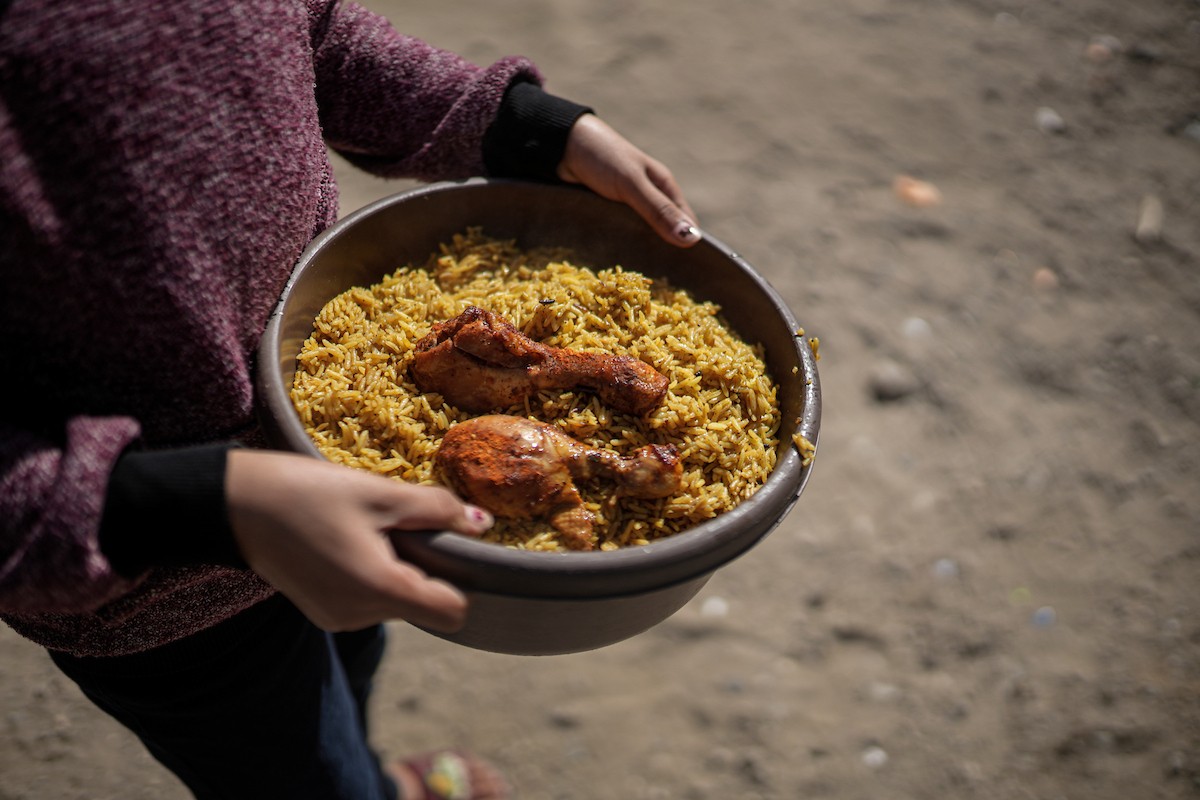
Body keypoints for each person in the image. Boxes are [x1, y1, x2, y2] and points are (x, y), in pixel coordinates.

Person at [0, 2, 700, 798]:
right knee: (300, 772)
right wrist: (198, 503)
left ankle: (374, 777)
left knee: (354, 661)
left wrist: (525, 124)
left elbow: (308, 35)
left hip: (352, 475)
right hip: (163, 588)